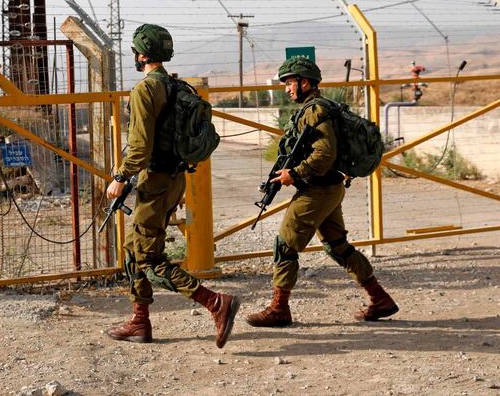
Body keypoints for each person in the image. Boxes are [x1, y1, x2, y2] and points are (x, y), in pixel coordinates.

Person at [106, 24, 240, 347]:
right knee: (132, 250)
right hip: (175, 179)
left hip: (155, 182)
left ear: (141, 54)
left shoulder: (145, 90)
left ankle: (216, 303)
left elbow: (139, 148)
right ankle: (140, 321)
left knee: (149, 260)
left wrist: (120, 178)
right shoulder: (179, 87)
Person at [245, 55, 398, 327]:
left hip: (317, 190)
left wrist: (294, 173)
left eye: (290, 83)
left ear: (305, 82)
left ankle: (279, 308)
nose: (287, 89)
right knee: (338, 246)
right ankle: (379, 298)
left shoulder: (314, 111)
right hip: (330, 188)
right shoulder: (323, 107)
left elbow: (324, 155)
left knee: (285, 246)